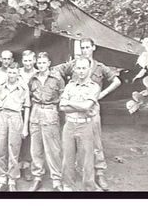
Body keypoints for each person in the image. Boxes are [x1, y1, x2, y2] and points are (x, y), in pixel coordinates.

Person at [53, 37, 121, 190]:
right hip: (74, 113)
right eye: (82, 47)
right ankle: (75, 177)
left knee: (95, 144)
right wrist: (63, 89)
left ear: (93, 47)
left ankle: (99, 174)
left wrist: (100, 95)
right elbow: (56, 71)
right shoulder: (74, 64)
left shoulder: (100, 67)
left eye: (87, 47)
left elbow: (117, 81)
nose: (85, 50)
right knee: (72, 147)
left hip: (92, 112)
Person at [60, 57, 101, 191]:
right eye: (78, 68)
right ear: (75, 69)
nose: (81, 71)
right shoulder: (69, 85)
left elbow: (87, 106)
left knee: (87, 161)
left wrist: (70, 103)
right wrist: (81, 106)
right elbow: (62, 107)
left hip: (85, 126)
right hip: (69, 125)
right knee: (68, 159)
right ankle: (67, 187)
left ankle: (89, 189)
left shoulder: (94, 87)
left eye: (84, 68)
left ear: (89, 69)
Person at [28, 52, 64, 191]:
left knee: (53, 149)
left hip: (50, 111)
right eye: (39, 63)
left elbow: (62, 95)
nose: (41, 65)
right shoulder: (33, 79)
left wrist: (54, 109)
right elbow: (29, 96)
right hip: (36, 112)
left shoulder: (57, 78)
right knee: (36, 149)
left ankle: (56, 179)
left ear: (49, 63)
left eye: (44, 62)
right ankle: (37, 177)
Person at [0, 62, 30, 191]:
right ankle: (2, 178)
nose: (12, 75)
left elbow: (27, 107)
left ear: (18, 73)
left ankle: (12, 179)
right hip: (2, 117)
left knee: (13, 149)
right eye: (9, 72)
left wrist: (25, 127)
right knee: (0, 148)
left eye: (14, 72)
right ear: (7, 73)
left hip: (15, 117)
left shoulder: (23, 88)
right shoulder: (1, 87)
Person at [18, 50, 38, 181]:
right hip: (17, 108)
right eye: (25, 60)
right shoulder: (17, 72)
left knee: (29, 138)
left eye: (30, 60)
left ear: (34, 60)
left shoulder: (37, 74)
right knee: (16, 136)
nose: (28, 63)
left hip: (32, 109)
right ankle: (16, 165)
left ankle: (26, 166)